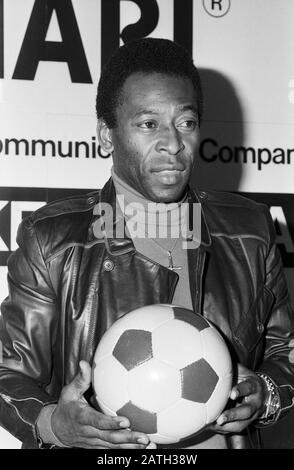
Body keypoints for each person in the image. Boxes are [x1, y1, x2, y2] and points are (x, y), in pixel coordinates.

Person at [0, 38, 294, 450]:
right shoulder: (51, 240)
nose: (172, 143)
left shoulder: (251, 230)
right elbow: (7, 371)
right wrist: (52, 423)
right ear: (107, 135)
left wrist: (266, 393)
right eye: (148, 124)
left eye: (186, 122)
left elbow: (287, 352)